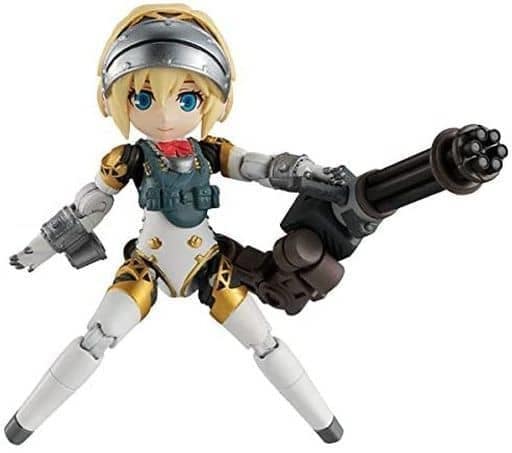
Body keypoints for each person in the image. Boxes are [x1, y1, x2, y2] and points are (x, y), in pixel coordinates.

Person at [5, 4, 343, 445]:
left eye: (186, 99)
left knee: (264, 340)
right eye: (143, 99)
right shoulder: (128, 158)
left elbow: (257, 167)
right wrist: (40, 248)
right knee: (97, 338)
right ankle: (21, 426)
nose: (164, 116)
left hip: (209, 264)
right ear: (118, 100)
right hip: (148, 264)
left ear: (211, 99)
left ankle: (327, 426)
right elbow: (90, 206)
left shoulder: (211, 151)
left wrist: (304, 171)